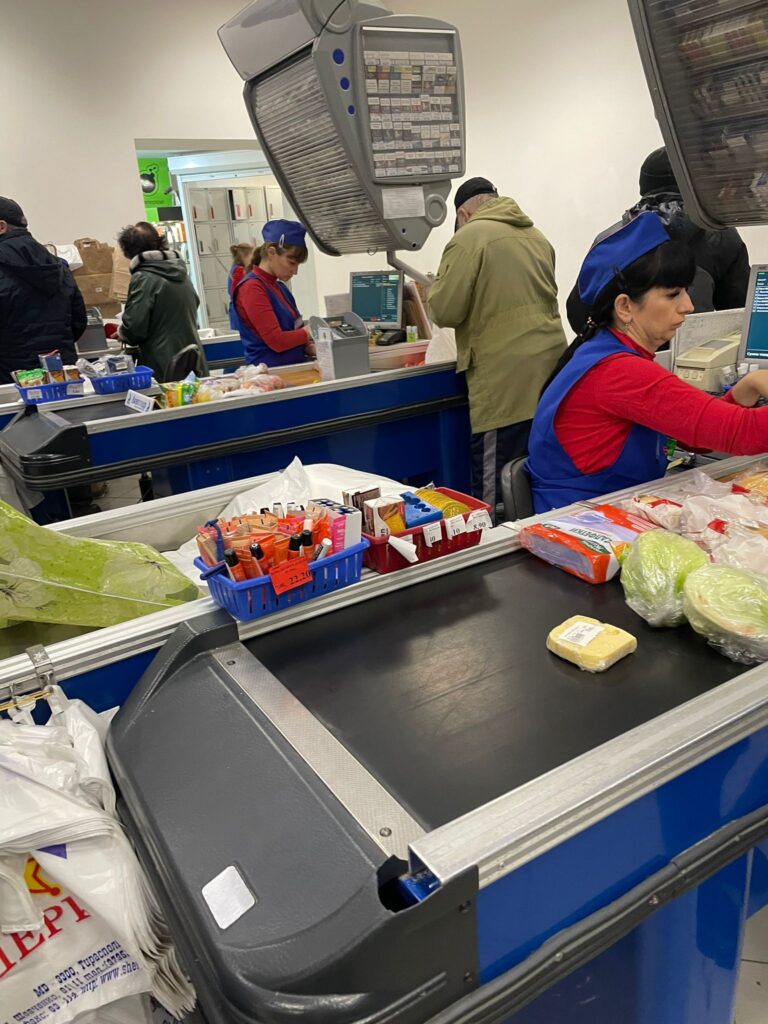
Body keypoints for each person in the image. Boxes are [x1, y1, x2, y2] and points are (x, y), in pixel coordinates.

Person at [527, 212, 768, 514]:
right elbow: (740, 434)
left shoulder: (600, 352)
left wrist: (747, 386)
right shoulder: (619, 372)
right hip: (586, 528)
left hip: (600, 512)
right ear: (625, 306)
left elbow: (692, 437)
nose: (688, 305)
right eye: (673, 294)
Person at [428, 177, 567, 515]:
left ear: (463, 214)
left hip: (503, 383)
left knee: (496, 491)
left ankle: (494, 555)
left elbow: (445, 310)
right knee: (538, 477)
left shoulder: (469, 238)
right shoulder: (536, 236)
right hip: (551, 375)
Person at [566, 146, 750, 334]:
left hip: (622, 356)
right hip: (692, 357)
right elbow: (740, 315)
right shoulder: (719, 235)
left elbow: (578, 315)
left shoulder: (609, 237)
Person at [0, 197, 86, 384]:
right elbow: (78, 321)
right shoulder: (59, 266)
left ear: (1, 226)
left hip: (10, 381)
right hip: (61, 376)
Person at [117, 221, 207, 382]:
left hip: (162, 363)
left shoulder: (143, 277)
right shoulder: (180, 271)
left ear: (129, 251)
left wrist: (122, 332)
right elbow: (194, 302)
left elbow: (135, 326)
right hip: (192, 357)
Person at [232, 219, 315, 367]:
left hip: (292, 368)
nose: (295, 271)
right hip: (270, 373)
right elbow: (277, 341)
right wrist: (310, 331)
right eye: (292, 263)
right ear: (271, 252)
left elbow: (294, 329)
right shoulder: (252, 288)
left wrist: (310, 347)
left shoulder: (280, 287)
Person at [227, 242, 254, 330]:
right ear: (245, 257)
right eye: (252, 256)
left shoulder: (236, 268)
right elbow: (238, 292)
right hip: (239, 312)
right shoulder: (239, 271)